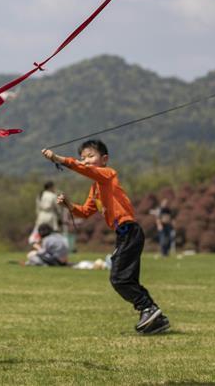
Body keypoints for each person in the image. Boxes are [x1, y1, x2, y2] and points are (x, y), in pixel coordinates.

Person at [42, 140, 170, 335]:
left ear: (104, 159)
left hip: (130, 231)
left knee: (119, 278)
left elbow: (87, 171)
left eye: (90, 156)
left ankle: (149, 309)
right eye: (83, 158)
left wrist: (59, 159)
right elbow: (85, 212)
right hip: (124, 234)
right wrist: (69, 205)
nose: (85, 161)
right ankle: (154, 316)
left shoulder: (108, 175)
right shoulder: (95, 189)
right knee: (126, 279)